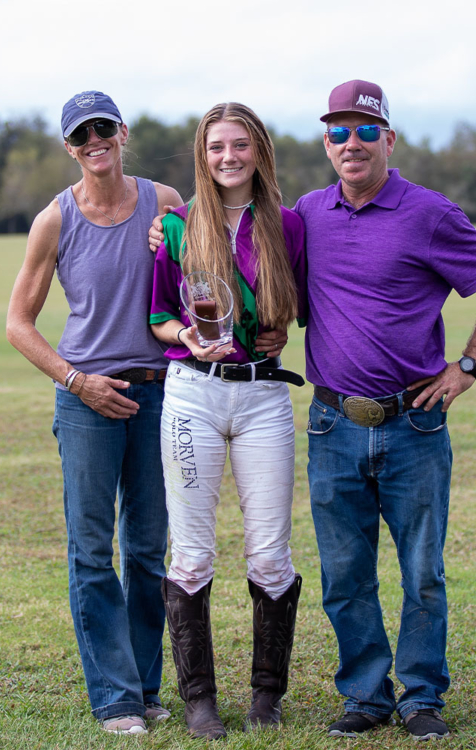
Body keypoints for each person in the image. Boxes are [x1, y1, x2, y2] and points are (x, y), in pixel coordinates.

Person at [293, 79, 476, 741]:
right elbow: (252, 260)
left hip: (413, 424)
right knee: (343, 576)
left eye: (365, 130)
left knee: (421, 574)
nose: (351, 143)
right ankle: (364, 696)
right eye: (338, 131)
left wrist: (469, 365)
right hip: (331, 423)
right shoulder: (306, 213)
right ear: (325, 143)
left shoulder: (428, 213)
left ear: (388, 139)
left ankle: (421, 698)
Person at [6, 91, 184, 735]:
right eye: (82, 135)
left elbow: (198, 290)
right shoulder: (54, 220)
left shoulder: (165, 202)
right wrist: (77, 382)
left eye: (103, 128)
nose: (94, 142)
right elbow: (18, 325)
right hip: (86, 400)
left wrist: (177, 246)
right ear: (70, 147)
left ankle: (145, 685)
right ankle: (114, 697)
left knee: (146, 550)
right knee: (91, 551)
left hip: (159, 394)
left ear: (122, 132)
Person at [149, 102, 307, 740]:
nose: (228, 157)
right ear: (202, 154)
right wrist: (188, 333)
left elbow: (302, 308)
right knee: (190, 555)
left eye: (240, 145)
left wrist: (278, 329)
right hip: (193, 395)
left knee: (270, 555)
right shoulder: (178, 227)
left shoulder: (290, 225)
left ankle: (266, 697)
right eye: (216, 147)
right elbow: (158, 315)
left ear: (259, 151)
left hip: (264, 398)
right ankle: (199, 701)